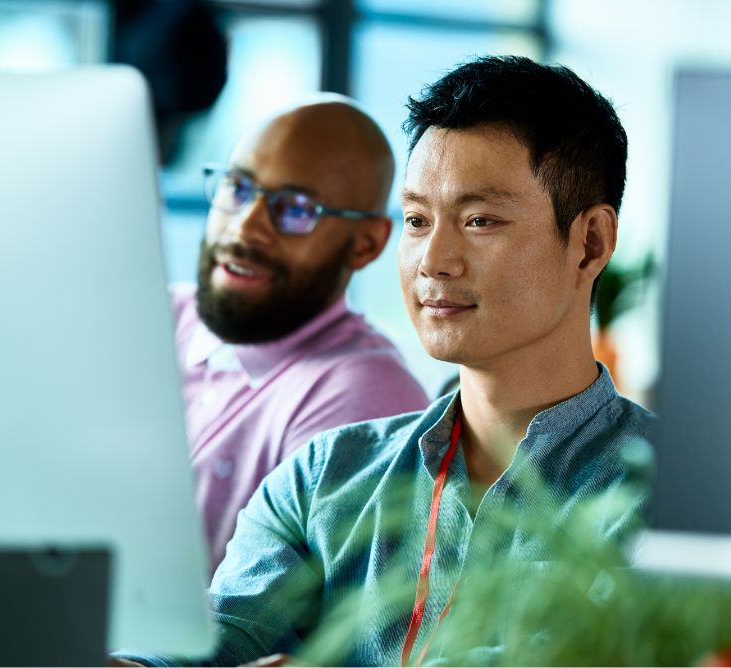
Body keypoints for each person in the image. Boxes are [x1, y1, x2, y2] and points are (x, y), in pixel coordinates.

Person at [115, 56, 653, 666]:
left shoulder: (665, 498)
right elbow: (214, 640)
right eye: (419, 220)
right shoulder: (323, 474)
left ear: (590, 244)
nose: (434, 259)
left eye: (480, 221)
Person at [174, 97, 429, 572]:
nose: (246, 226)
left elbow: (263, 626)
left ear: (367, 243)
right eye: (238, 187)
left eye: (295, 209)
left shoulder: (363, 395)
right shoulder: (159, 315)